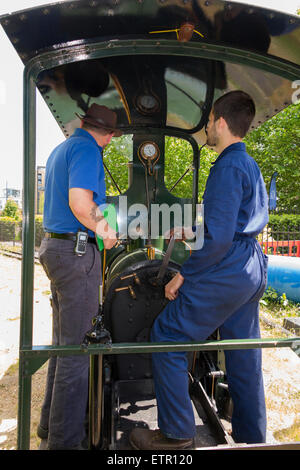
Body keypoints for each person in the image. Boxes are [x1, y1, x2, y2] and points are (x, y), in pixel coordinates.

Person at [130, 91, 269, 450]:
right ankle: (253, 439)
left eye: (208, 123)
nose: (207, 128)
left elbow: (220, 240)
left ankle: (176, 433)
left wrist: (183, 274)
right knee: (243, 352)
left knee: (166, 336)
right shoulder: (249, 164)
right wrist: (192, 231)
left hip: (229, 266)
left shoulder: (225, 165)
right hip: (252, 266)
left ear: (220, 123)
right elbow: (235, 224)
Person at [37, 104, 121, 450]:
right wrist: (108, 230)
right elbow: (79, 203)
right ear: (110, 137)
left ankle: (48, 427)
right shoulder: (88, 149)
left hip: (55, 250)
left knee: (63, 346)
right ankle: (66, 443)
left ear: (85, 122)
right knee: (78, 352)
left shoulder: (64, 148)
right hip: (75, 255)